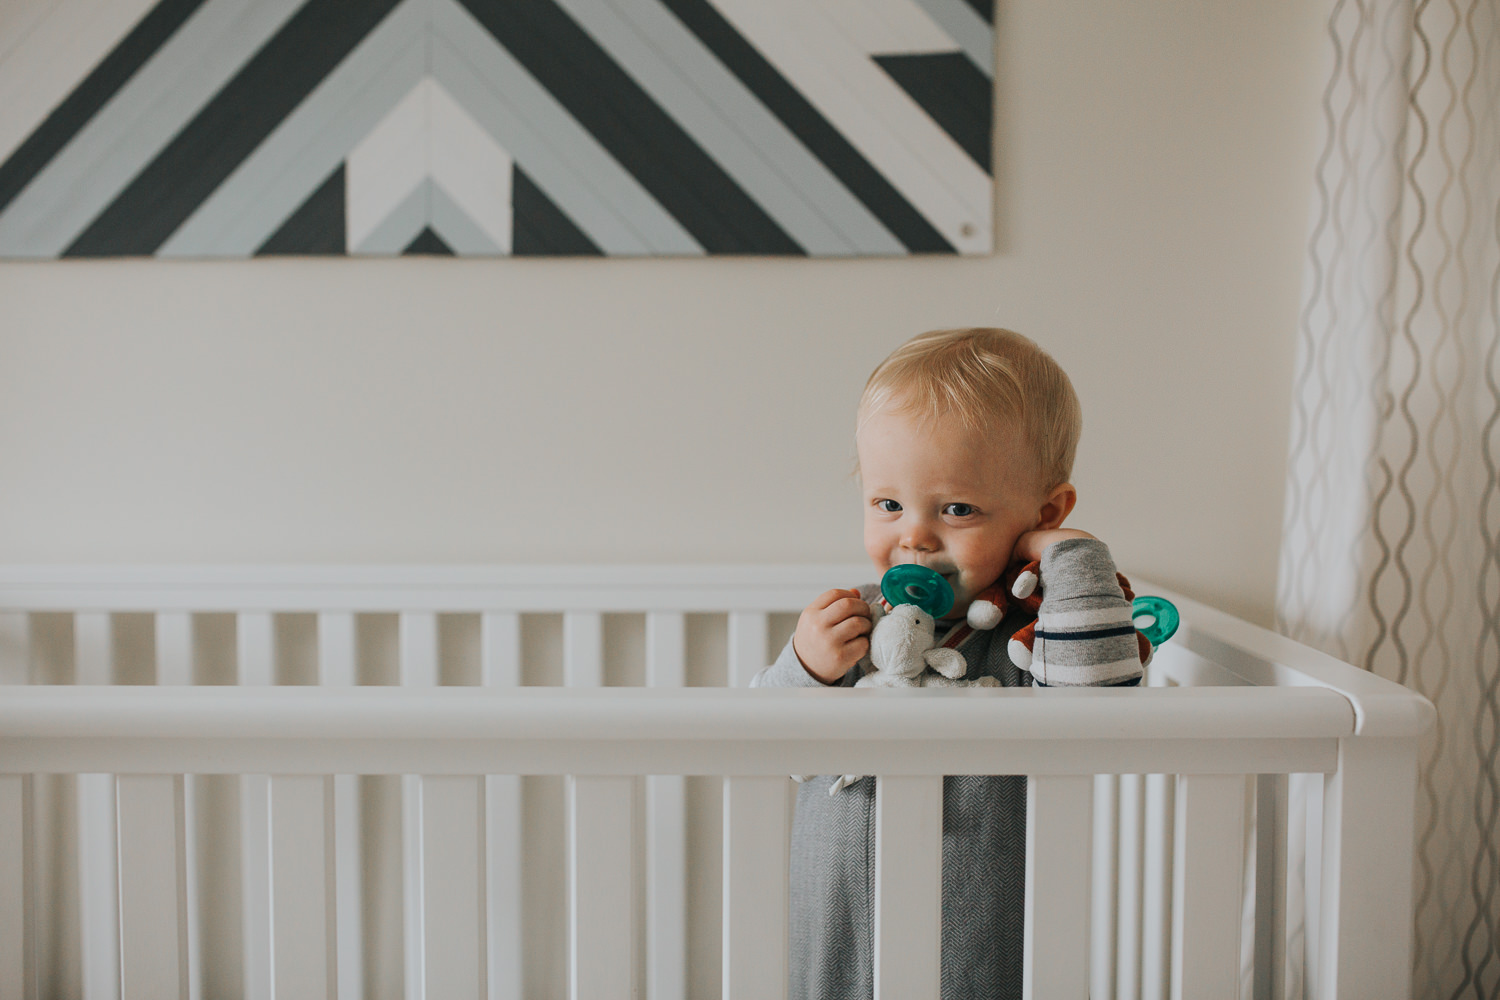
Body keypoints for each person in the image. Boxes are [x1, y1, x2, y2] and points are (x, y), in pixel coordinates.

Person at [751, 327, 1144, 999]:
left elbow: (1100, 701)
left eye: (956, 508)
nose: (914, 534)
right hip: (836, 921)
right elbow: (765, 744)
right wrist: (806, 667)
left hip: (980, 925)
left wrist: (1070, 550)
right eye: (888, 504)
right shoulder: (856, 623)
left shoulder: (1038, 633)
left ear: (1043, 511)